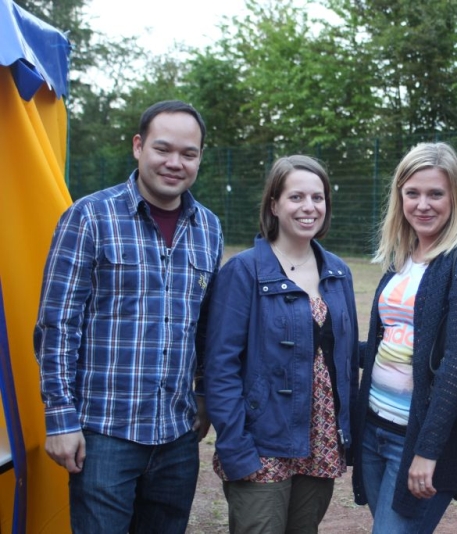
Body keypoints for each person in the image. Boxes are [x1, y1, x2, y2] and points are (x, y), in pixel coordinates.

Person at [34, 100, 224, 533]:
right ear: (138, 146)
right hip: (104, 434)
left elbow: (205, 327)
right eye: (163, 148)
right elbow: (57, 325)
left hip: (177, 437)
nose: (174, 162)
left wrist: (201, 395)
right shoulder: (89, 217)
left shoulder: (209, 228)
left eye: (188, 153)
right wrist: (60, 417)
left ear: (199, 158)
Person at [204, 155, 359, 534]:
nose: (309, 207)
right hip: (262, 443)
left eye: (318, 198)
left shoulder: (338, 272)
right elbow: (220, 367)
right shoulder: (244, 271)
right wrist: (237, 448)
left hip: (320, 440)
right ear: (274, 204)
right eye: (296, 197)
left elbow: (343, 355)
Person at [351, 142, 457, 534]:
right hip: (374, 429)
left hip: (417, 441)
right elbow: (391, 347)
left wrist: (428, 450)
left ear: (455, 197)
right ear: (399, 196)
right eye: (412, 193)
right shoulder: (402, 257)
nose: (423, 205)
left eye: (436, 194)